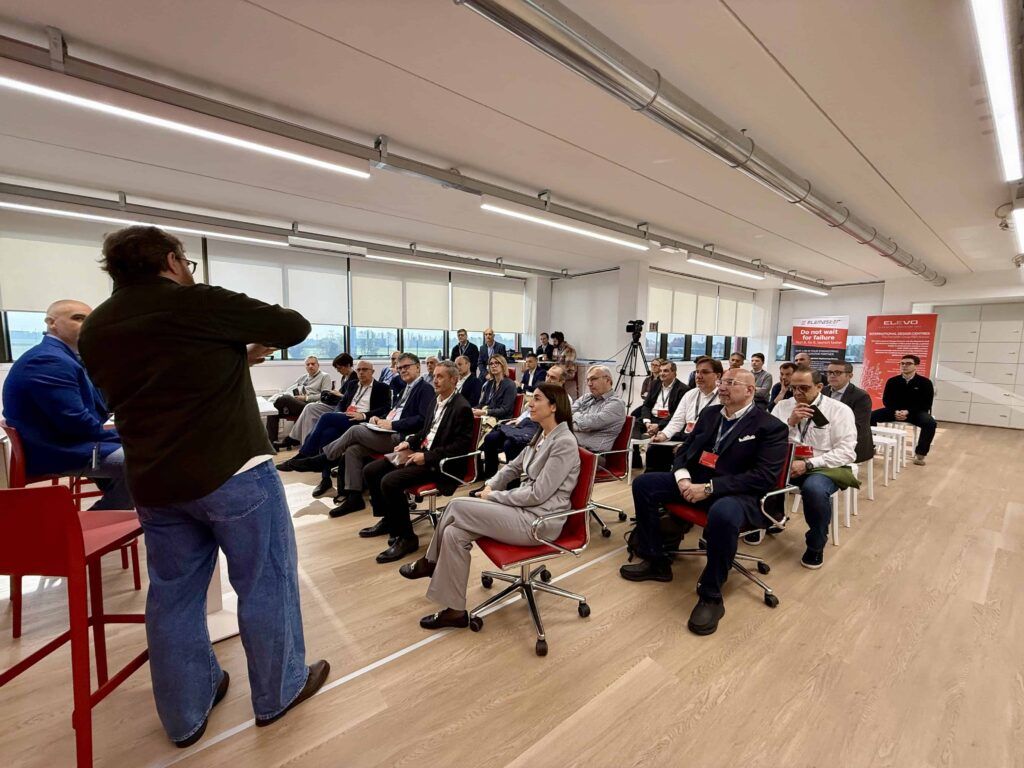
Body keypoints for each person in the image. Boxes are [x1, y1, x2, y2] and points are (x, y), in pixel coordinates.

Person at [77, 225, 327, 746]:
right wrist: (235, 343)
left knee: (173, 597)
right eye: (187, 263)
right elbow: (293, 325)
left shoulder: (97, 327)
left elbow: (158, 378)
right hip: (231, 472)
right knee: (265, 581)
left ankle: (185, 713)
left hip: (155, 482)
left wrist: (232, 355)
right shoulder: (195, 302)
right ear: (172, 261)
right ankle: (279, 691)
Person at [398, 382, 580, 630]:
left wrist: (493, 496)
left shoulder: (564, 442)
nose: (529, 404)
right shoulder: (542, 434)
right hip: (523, 511)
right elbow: (513, 467)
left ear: (553, 406)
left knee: (456, 506)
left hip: (539, 521)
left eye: (536, 399)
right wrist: (491, 485)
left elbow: (538, 494)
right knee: (453, 533)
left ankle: (430, 562)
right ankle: (455, 611)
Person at [619, 369, 788, 636]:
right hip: (696, 482)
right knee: (644, 484)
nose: (722, 387)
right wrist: (683, 478)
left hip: (739, 494)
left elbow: (763, 477)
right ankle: (656, 561)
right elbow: (685, 451)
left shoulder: (770, 427)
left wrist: (709, 488)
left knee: (723, 512)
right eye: (722, 382)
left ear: (750, 390)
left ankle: (711, 595)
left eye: (731, 383)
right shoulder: (710, 414)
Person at [1, 299, 131, 510]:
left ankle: (122, 515)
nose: (87, 325)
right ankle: (91, 522)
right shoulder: (48, 360)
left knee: (144, 459)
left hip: (70, 443)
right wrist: (130, 434)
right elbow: (76, 423)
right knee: (144, 461)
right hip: (59, 451)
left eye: (90, 320)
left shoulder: (65, 357)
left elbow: (98, 408)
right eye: (78, 318)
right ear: (51, 323)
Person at [289, 353, 435, 516]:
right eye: (400, 368)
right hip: (387, 429)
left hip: (402, 438)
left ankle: (323, 459)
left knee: (355, 430)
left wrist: (391, 424)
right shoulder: (406, 388)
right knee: (353, 450)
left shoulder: (425, 389)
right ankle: (354, 497)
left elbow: (422, 420)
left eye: (406, 366)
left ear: (418, 367)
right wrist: (379, 419)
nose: (402, 370)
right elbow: (394, 411)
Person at [358, 361, 475, 563]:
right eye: (434, 376)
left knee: (389, 481)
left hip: (441, 464)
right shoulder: (436, 401)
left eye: (440, 376)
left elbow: (460, 447)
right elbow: (425, 431)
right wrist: (409, 442)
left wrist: (427, 457)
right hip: (423, 452)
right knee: (371, 470)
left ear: (454, 380)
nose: (435, 380)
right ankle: (389, 520)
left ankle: (407, 538)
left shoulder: (461, 407)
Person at [772, 368, 857, 569]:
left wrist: (809, 464)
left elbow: (846, 452)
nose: (797, 393)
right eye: (793, 388)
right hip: (787, 462)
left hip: (824, 465)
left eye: (804, 388)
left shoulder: (839, 410)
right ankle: (770, 519)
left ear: (819, 387)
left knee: (814, 490)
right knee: (755, 474)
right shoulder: (783, 407)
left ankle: (816, 544)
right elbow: (768, 441)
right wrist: (790, 423)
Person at [276, 361, 391, 496]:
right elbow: (341, 403)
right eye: (359, 370)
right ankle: (325, 480)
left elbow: (385, 409)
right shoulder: (353, 384)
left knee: (325, 417)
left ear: (372, 372)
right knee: (327, 434)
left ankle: (303, 455)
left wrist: (363, 415)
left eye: (365, 369)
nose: (361, 372)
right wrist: (339, 413)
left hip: (362, 422)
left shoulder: (381, 387)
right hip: (345, 418)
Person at [479, 364, 569, 478]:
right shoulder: (541, 392)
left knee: (509, 444)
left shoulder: (564, 400)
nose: (548, 379)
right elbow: (528, 411)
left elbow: (553, 423)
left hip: (538, 429)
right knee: (490, 438)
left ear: (562, 381)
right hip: (524, 424)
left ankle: (512, 483)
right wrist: (518, 419)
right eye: (547, 375)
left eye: (553, 377)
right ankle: (489, 476)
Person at [645, 356, 722, 473]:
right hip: (686, 436)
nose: (699, 376)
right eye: (697, 372)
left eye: (705, 372)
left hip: (706, 442)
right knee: (655, 450)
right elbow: (677, 421)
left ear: (718, 376)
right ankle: (658, 481)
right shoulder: (690, 394)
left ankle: (682, 480)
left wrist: (689, 446)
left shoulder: (722, 398)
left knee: (686, 454)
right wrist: (663, 435)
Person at [274, 353, 357, 449]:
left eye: (339, 368)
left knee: (307, 406)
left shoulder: (352, 378)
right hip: (331, 403)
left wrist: (338, 394)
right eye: (308, 364)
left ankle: (298, 442)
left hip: (337, 405)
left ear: (348, 365)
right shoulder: (344, 377)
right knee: (302, 406)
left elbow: (351, 398)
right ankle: (299, 442)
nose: (338, 371)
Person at [870, 354, 936, 465]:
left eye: (908, 363)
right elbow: (886, 400)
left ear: (916, 366)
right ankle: (871, 446)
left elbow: (926, 404)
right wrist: (895, 411)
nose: (904, 366)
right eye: (902, 363)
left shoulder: (925, 382)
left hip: (916, 413)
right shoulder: (892, 381)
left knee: (930, 423)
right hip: (894, 411)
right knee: (869, 416)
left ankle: (920, 454)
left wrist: (908, 411)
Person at [631, 361, 687, 467]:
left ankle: (650, 437)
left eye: (666, 371)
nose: (662, 373)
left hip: (668, 420)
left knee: (659, 441)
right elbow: (646, 405)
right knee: (632, 425)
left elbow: (677, 414)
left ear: (674, 373)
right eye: (661, 371)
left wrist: (659, 425)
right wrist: (647, 423)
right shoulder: (655, 384)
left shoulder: (683, 389)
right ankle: (636, 461)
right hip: (652, 419)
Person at [265, 355, 331, 442]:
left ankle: (273, 404)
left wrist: (306, 398)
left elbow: (325, 395)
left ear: (318, 365)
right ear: (305, 366)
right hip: (296, 403)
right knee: (273, 412)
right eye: (308, 364)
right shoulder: (303, 377)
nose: (310, 366)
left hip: (310, 406)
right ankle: (272, 442)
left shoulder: (325, 376)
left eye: (313, 364)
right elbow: (291, 389)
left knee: (285, 398)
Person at [824, 359, 874, 464]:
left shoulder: (861, 396)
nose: (832, 376)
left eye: (837, 372)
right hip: (824, 437)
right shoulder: (822, 391)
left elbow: (858, 426)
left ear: (850, 376)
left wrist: (830, 432)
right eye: (829, 372)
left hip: (851, 442)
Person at [571, 365, 627, 453]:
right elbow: (567, 414)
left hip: (591, 454)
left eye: (593, 379)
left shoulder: (616, 404)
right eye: (588, 380)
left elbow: (590, 424)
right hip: (573, 448)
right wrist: (582, 423)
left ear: (607, 380)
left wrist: (575, 418)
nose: (589, 384)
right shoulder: (586, 397)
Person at [475, 355, 517, 420]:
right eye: (491, 364)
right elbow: (482, 404)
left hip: (501, 420)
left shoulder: (510, 385)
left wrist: (485, 412)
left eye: (496, 363)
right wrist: (473, 410)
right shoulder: (489, 383)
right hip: (487, 417)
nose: (493, 366)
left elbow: (504, 410)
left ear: (503, 365)